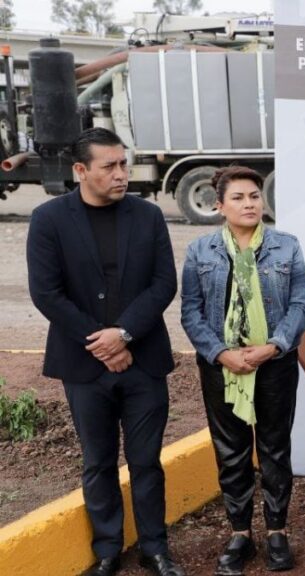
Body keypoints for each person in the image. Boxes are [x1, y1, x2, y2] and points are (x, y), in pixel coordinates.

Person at [27, 128, 184, 576]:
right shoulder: (49, 219)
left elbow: (163, 285)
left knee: (146, 462)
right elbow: (47, 294)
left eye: (123, 163)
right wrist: (102, 341)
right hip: (83, 365)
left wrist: (125, 334)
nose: (121, 174)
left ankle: (155, 549)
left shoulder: (148, 216)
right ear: (81, 170)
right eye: (109, 167)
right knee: (97, 462)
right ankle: (108, 549)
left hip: (144, 360)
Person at [180, 166, 305, 574]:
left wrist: (272, 347)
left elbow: (301, 304)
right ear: (219, 205)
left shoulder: (286, 246)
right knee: (231, 451)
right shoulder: (200, 252)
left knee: (274, 448)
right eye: (238, 197)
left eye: (254, 196)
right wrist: (221, 354)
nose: (249, 203)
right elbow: (191, 312)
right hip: (223, 368)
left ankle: (277, 532)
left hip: (274, 365)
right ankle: (240, 533)